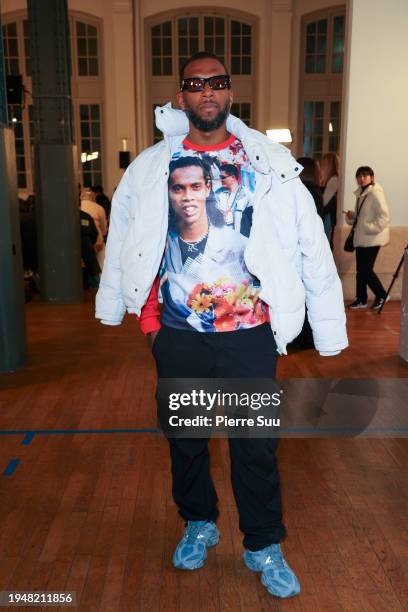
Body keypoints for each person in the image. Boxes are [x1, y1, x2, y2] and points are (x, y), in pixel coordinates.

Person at [96, 52, 348, 599]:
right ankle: (199, 524)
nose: (206, 91)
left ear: (230, 93)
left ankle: (262, 544)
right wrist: (147, 323)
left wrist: (327, 327)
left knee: (254, 445)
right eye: (195, 83)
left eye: (217, 83)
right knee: (186, 443)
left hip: (250, 336)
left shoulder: (265, 163)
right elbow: (126, 239)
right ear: (180, 96)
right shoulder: (152, 168)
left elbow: (309, 243)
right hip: (179, 338)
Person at [345, 166, 390, 310]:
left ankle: (382, 294)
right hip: (362, 238)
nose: (362, 178)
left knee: (366, 270)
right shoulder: (361, 193)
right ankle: (361, 299)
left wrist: (368, 227)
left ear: (372, 177)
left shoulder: (376, 193)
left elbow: (384, 217)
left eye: (365, 175)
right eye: (359, 175)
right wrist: (352, 217)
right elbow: (362, 217)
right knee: (361, 270)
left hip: (372, 238)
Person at [80, 188, 107, 269]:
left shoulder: (77, 208)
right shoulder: (99, 208)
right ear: (93, 197)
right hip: (97, 244)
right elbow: (104, 231)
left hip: (82, 244)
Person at [321, 153, 340, 249]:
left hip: (328, 215)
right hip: (327, 214)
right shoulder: (332, 179)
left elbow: (324, 201)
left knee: (326, 243)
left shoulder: (333, 180)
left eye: (324, 163)